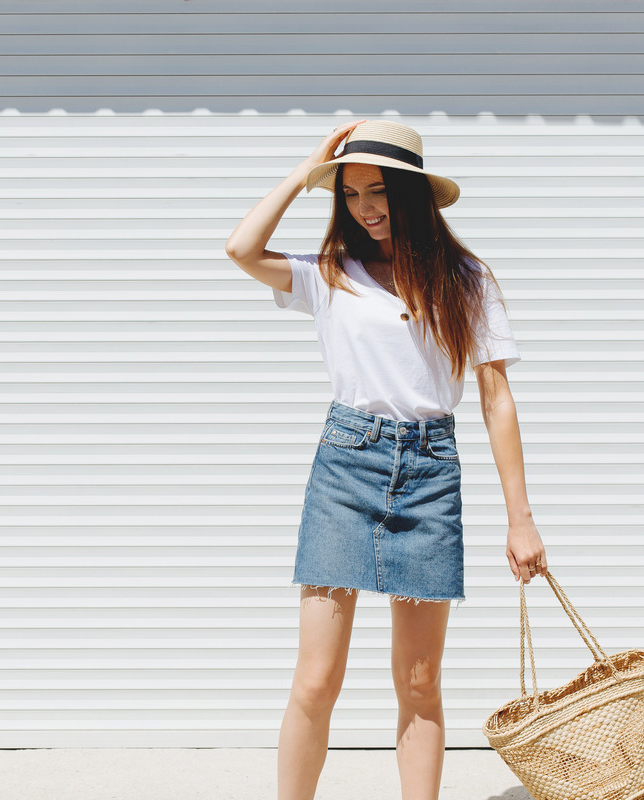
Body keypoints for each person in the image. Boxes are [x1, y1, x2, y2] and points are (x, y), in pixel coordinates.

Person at [224, 120, 548, 800]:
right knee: (316, 679)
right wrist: (304, 171)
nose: (366, 207)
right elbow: (240, 247)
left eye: (378, 191)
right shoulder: (327, 276)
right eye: (349, 194)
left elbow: (496, 400)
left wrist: (521, 521)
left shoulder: (465, 279)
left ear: (411, 193)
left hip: (431, 475)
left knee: (421, 680)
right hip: (345, 469)